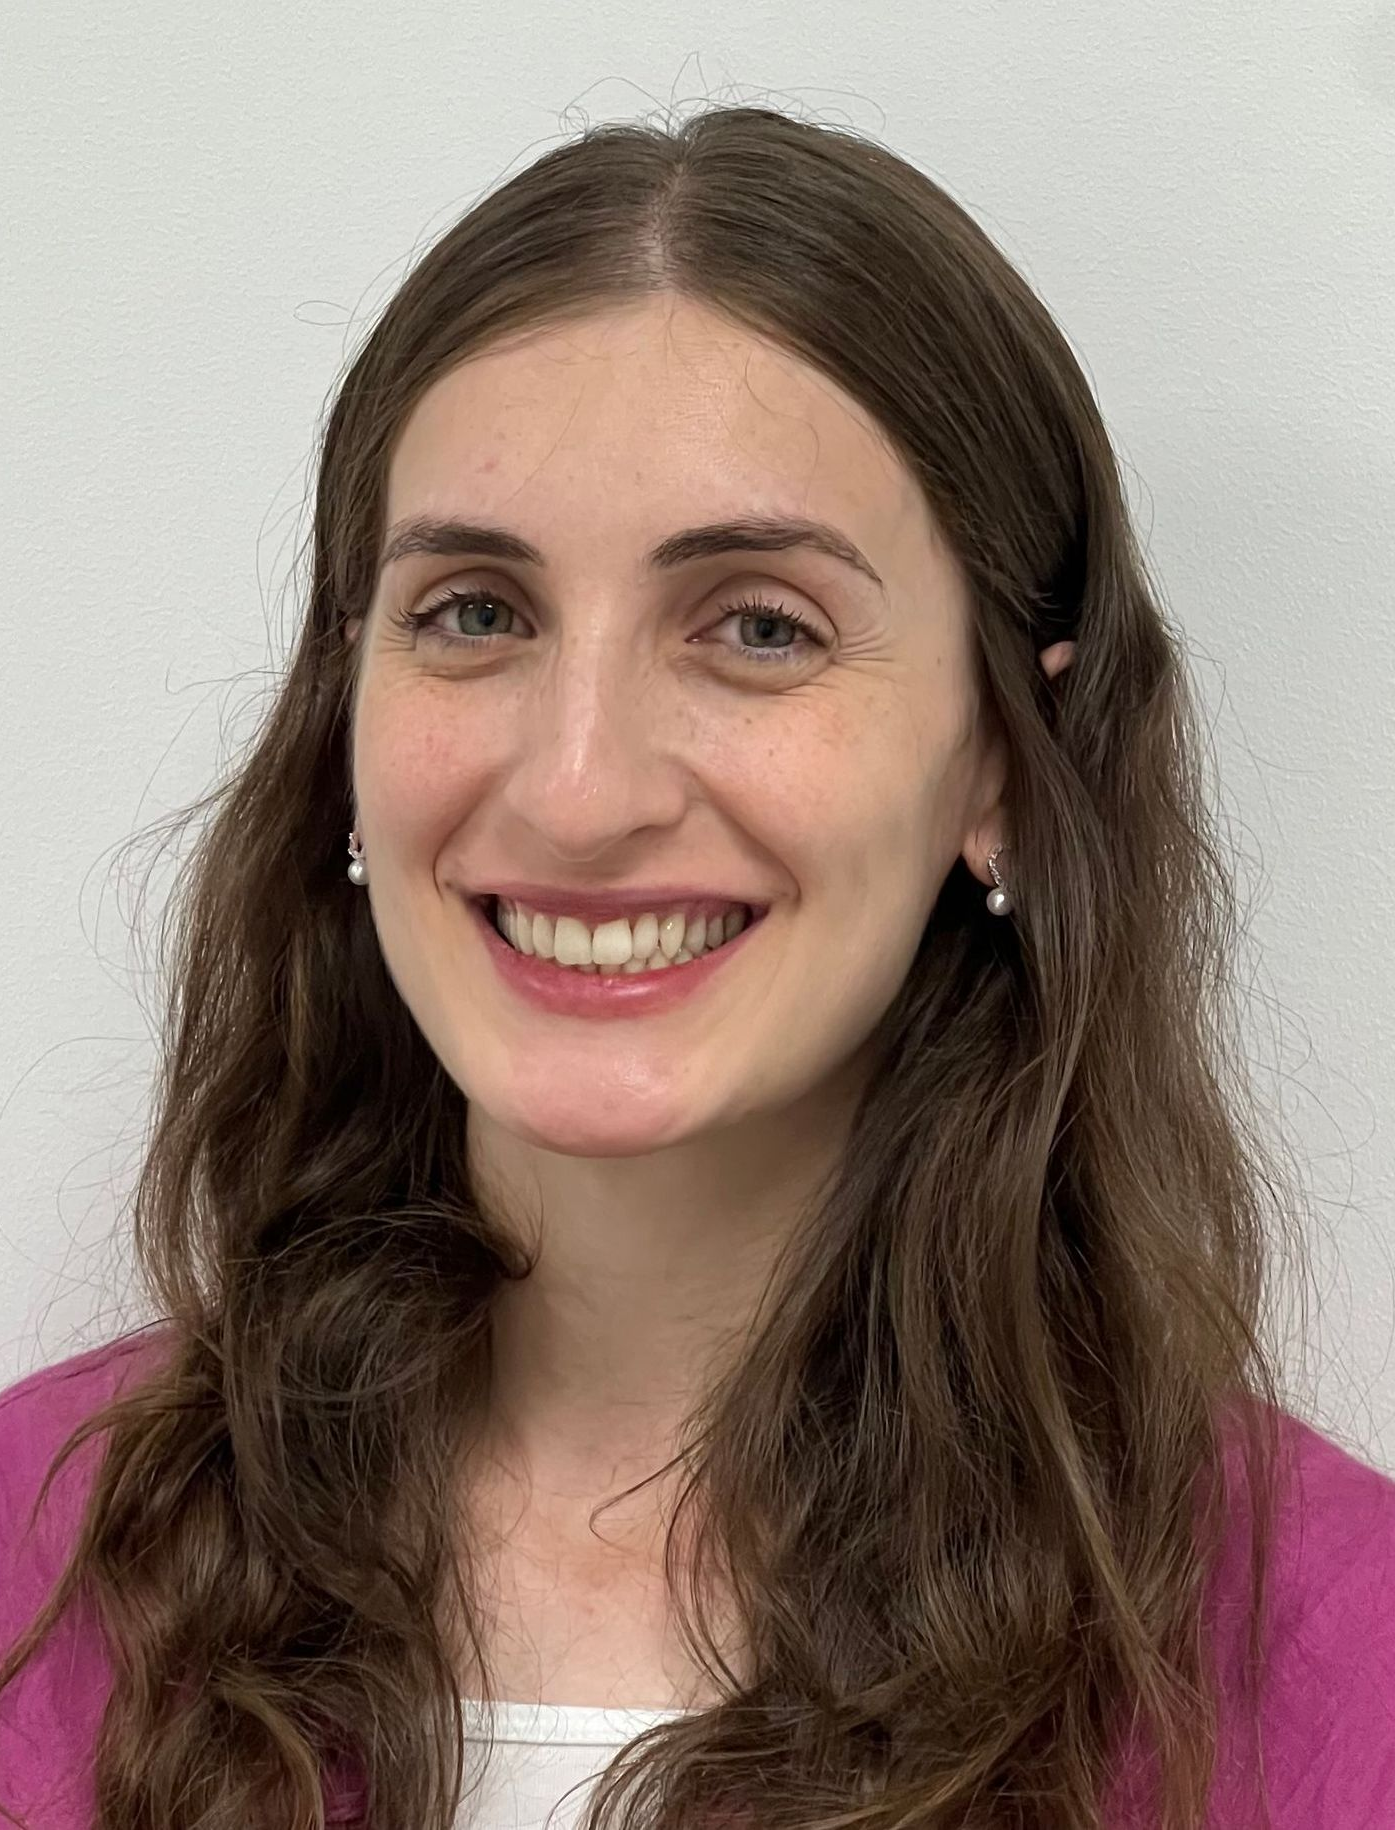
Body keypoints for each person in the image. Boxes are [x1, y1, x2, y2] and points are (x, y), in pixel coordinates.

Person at [2, 102, 1392, 1830]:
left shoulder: (1342, 1660)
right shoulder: (32, 1554)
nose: (579, 790)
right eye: (474, 612)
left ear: (999, 761)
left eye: (757, 626)